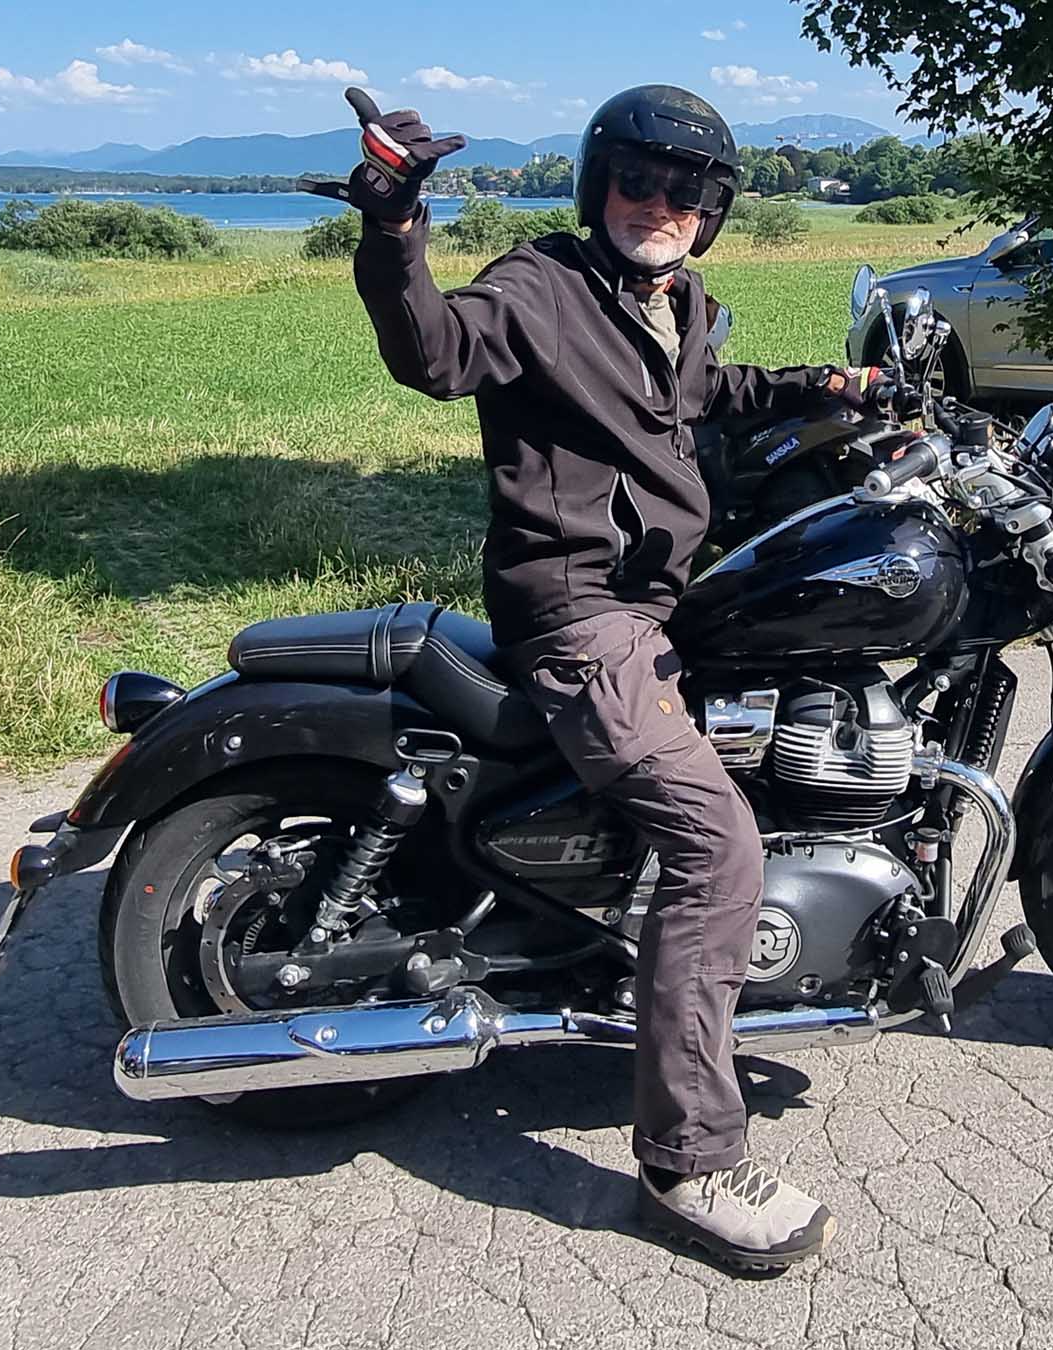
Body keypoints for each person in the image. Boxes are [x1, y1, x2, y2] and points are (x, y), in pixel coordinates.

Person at [346, 83, 870, 1272]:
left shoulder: (677, 305)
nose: (661, 205)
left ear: (713, 211)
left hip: (655, 599)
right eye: (640, 180)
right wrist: (394, 226)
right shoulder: (542, 286)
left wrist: (832, 389)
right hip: (583, 616)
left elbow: (706, 394)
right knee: (717, 847)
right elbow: (435, 352)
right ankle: (690, 1162)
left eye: (689, 191)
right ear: (599, 187)